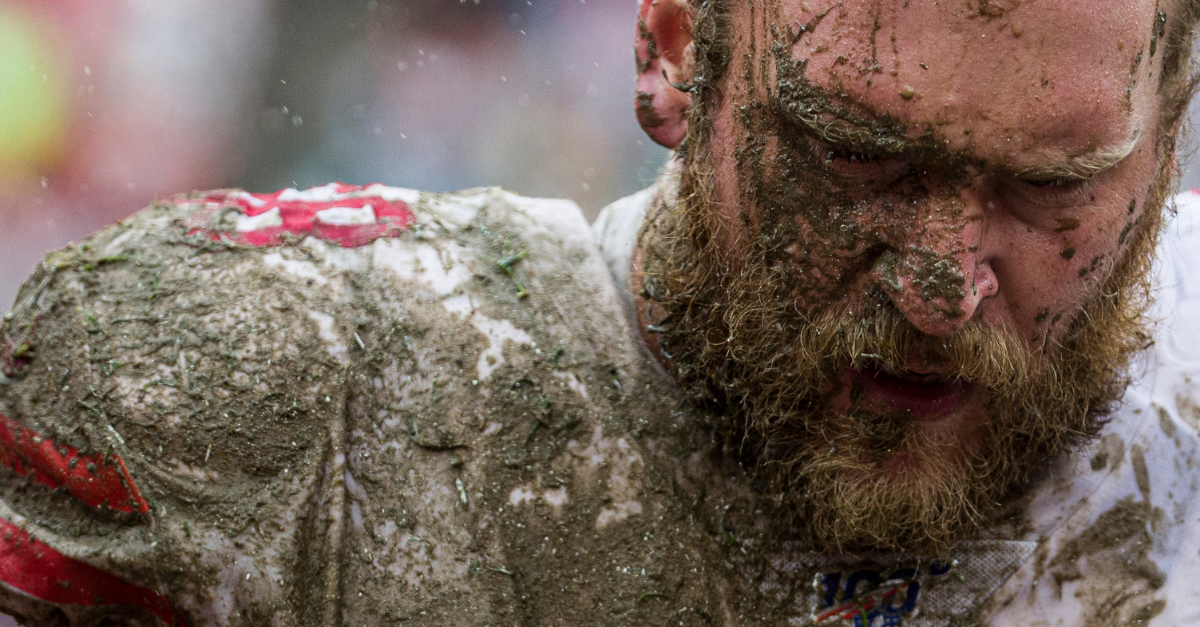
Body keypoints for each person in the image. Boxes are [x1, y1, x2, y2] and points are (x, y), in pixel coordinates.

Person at [1, 0, 1198, 624]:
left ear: (1172, 116)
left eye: (1053, 185)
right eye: (852, 157)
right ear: (676, 57)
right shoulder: (276, 407)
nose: (941, 293)